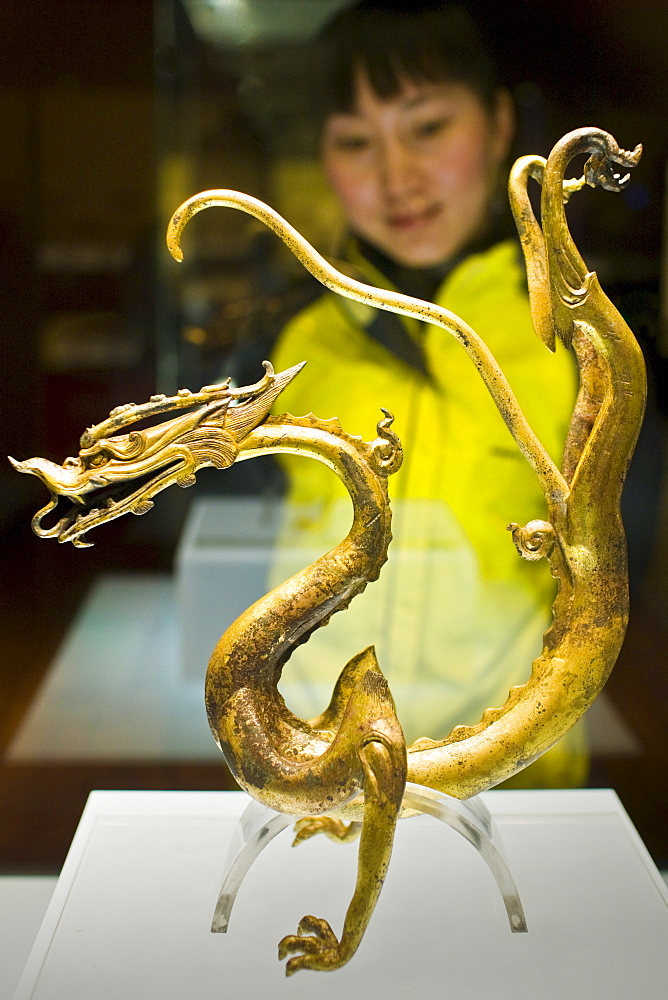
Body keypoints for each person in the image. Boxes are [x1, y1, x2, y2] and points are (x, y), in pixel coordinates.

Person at [268, 0, 584, 787]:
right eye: (354, 141)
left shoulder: (577, 346)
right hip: (315, 777)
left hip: (515, 775)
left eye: (428, 127)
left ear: (500, 124)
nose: (396, 175)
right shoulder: (293, 348)